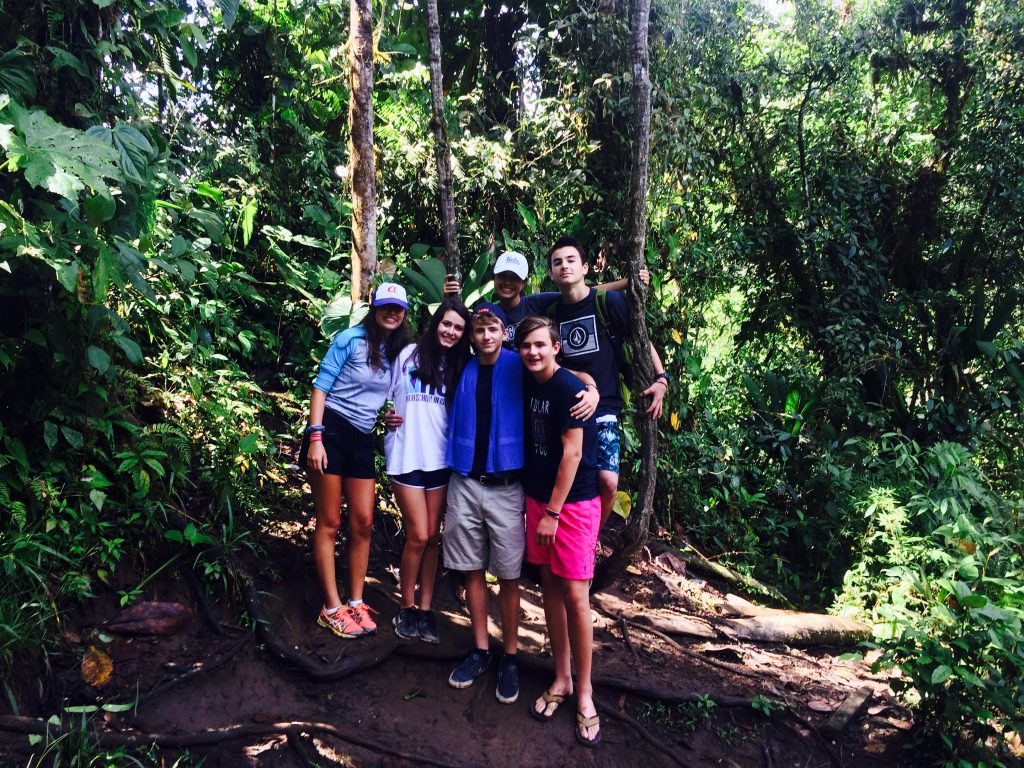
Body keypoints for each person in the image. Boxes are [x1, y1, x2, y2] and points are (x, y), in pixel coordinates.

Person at [442, 303, 598, 704]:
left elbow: (562, 374)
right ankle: (480, 649)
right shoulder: (461, 363)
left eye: (493, 328)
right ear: (471, 336)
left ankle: (510, 656)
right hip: (464, 480)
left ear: (504, 333)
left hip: (510, 487)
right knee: (472, 569)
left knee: (509, 575)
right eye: (479, 330)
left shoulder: (519, 364)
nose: (486, 336)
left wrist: (592, 388)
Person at [300, 282, 412, 638]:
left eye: (398, 308)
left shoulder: (397, 351)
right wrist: (315, 438)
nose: (392, 313)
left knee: (363, 521)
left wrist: (389, 416)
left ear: (405, 313)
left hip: (363, 437)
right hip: (331, 430)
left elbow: (384, 395)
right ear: (374, 308)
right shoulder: (350, 339)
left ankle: (355, 601)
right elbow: (321, 388)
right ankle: (330, 607)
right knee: (330, 521)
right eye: (386, 306)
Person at [516, 315, 601, 747]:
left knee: (575, 595)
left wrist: (552, 511)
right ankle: (562, 677)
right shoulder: (527, 378)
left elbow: (572, 455)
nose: (532, 352)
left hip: (571, 503)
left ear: (555, 347)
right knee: (549, 587)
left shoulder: (569, 389)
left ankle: (585, 694)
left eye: (540, 345)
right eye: (526, 346)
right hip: (537, 498)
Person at [546, 236, 668, 528]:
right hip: (565, 408)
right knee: (564, 477)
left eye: (571, 260)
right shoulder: (550, 311)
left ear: (585, 266)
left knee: (608, 481)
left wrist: (662, 378)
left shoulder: (608, 302)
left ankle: (591, 536)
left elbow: (641, 339)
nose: (564, 266)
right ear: (550, 273)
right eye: (557, 262)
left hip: (605, 406)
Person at [384, 298, 472, 644]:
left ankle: (424, 609)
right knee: (418, 535)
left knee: (433, 538)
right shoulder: (408, 355)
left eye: (458, 327)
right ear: (436, 323)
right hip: (406, 455)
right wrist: (384, 418)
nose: (450, 331)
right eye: (446, 323)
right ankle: (405, 606)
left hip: (440, 460)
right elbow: (384, 395)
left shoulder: (462, 365)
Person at [443, 250, 648, 349]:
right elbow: (458, 331)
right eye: (502, 277)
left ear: (523, 283)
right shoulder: (488, 314)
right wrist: (449, 298)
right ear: (494, 279)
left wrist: (629, 282)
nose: (507, 283)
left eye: (514, 278)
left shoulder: (536, 303)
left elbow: (585, 292)